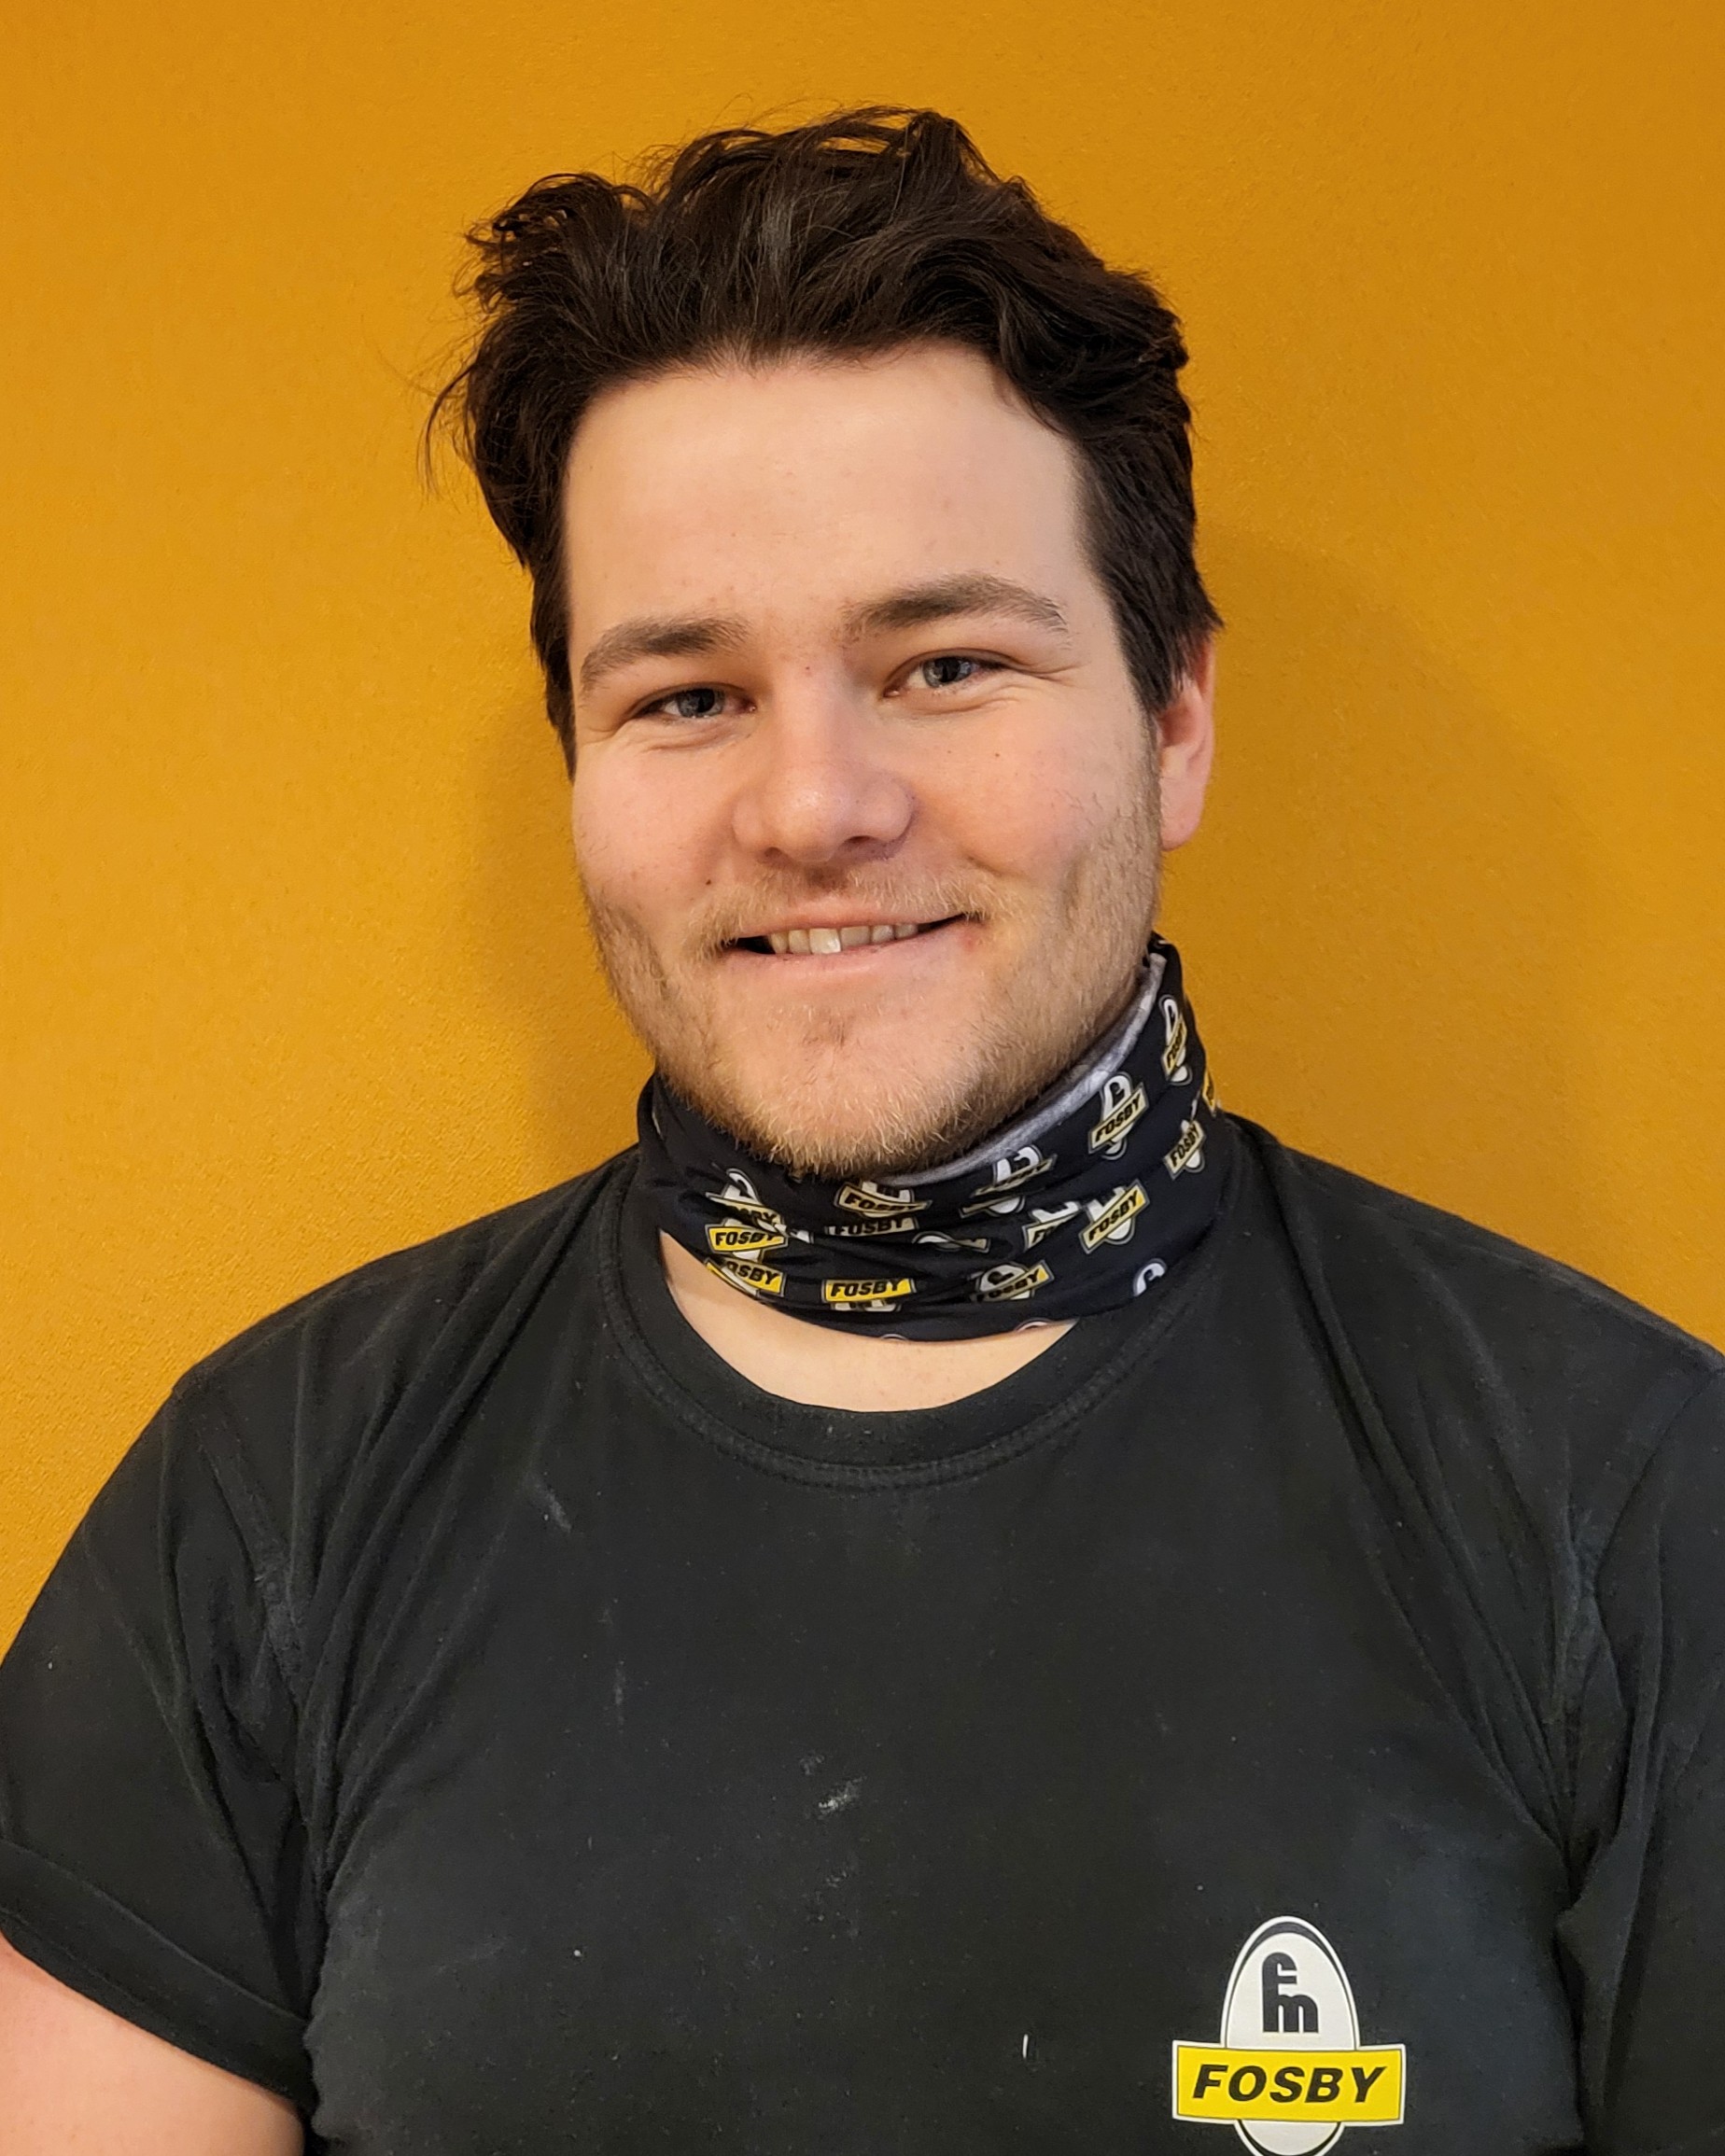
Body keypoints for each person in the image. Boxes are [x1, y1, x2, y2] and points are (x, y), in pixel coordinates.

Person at [0, 106, 1719, 2156]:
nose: (816, 805)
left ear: (1174, 719)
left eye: (945, 662)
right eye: (687, 696)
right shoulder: (257, 1510)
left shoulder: (1634, 1502)